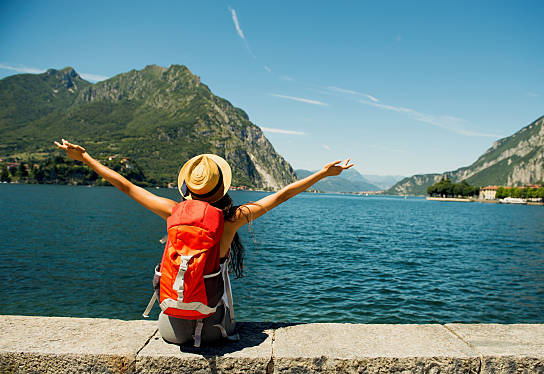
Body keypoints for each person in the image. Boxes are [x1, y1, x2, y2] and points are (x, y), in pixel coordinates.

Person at [54, 138, 353, 344]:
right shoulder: (232, 219)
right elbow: (282, 194)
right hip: (214, 330)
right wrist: (323, 174)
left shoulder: (173, 211)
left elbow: (127, 186)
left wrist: (85, 158)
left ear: (188, 188)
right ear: (221, 187)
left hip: (170, 329)